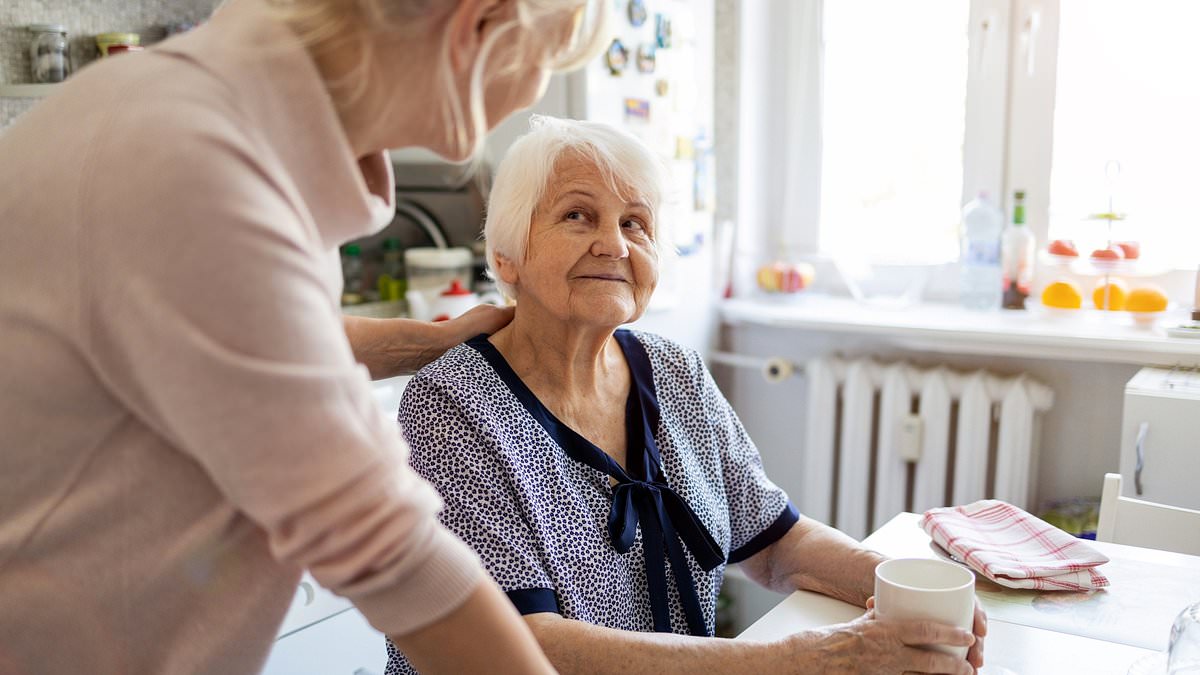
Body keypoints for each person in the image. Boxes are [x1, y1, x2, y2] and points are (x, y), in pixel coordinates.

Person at [0, 0, 609, 673]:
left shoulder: (225, 129)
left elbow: (265, 336)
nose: (535, 90)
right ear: (477, 27)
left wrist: (438, 340)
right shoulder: (193, 164)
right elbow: (387, 546)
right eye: (545, 61)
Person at [385, 116, 988, 675]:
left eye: (634, 223)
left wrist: (904, 588)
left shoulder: (674, 372)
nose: (615, 246)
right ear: (505, 256)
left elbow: (778, 543)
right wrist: (794, 661)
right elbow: (522, 642)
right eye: (577, 216)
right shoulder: (452, 403)